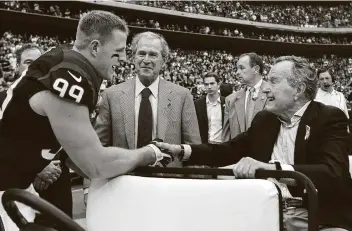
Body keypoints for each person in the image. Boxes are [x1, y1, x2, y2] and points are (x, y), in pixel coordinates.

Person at [0, 11, 171, 231]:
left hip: (16, 183)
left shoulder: (65, 62)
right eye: (118, 52)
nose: (124, 59)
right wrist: (149, 153)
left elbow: (73, 156)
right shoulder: (70, 75)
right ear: (95, 47)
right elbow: (94, 164)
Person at [157, 56, 352, 230]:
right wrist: (183, 150)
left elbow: (332, 172)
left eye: (274, 81)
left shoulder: (329, 118)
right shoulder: (265, 120)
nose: (266, 88)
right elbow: (230, 149)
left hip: (319, 218)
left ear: (298, 90)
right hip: (267, 213)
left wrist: (271, 169)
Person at [83, 31, 201, 203]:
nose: (146, 59)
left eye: (153, 54)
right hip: (122, 188)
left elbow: (193, 148)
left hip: (170, 191)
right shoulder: (112, 95)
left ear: (164, 60)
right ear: (133, 58)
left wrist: (196, 189)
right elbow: (98, 146)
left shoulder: (182, 96)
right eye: (141, 53)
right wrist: (88, 188)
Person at [222, 52, 267, 141]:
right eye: (237, 69)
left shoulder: (273, 95)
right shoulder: (230, 100)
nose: (237, 73)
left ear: (256, 69)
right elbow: (226, 137)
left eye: (242, 68)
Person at [194, 72, 225, 144]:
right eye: (206, 84)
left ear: (218, 84)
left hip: (223, 146)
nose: (209, 87)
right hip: (204, 145)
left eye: (212, 83)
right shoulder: (197, 104)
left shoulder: (226, 102)